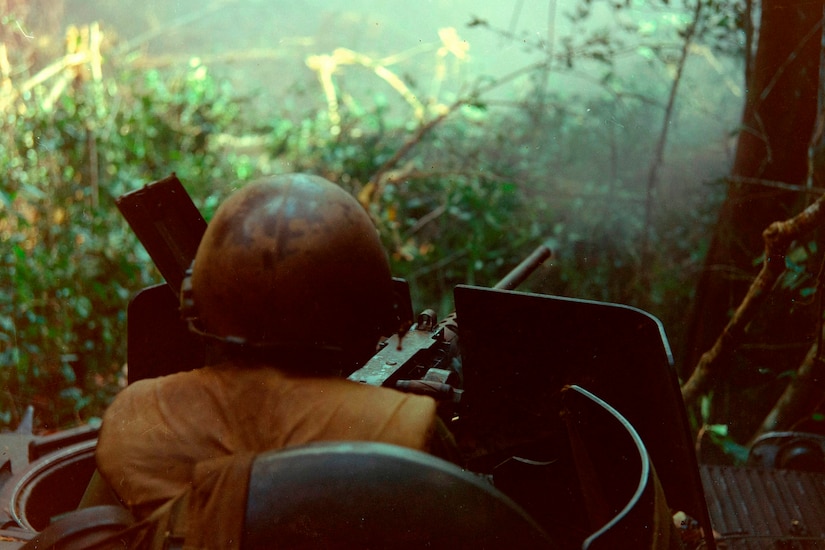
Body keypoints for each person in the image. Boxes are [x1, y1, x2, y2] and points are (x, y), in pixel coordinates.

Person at [95, 173, 457, 549]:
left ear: (195, 300)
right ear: (374, 310)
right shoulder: (409, 428)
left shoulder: (136, 416)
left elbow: (88, 532)